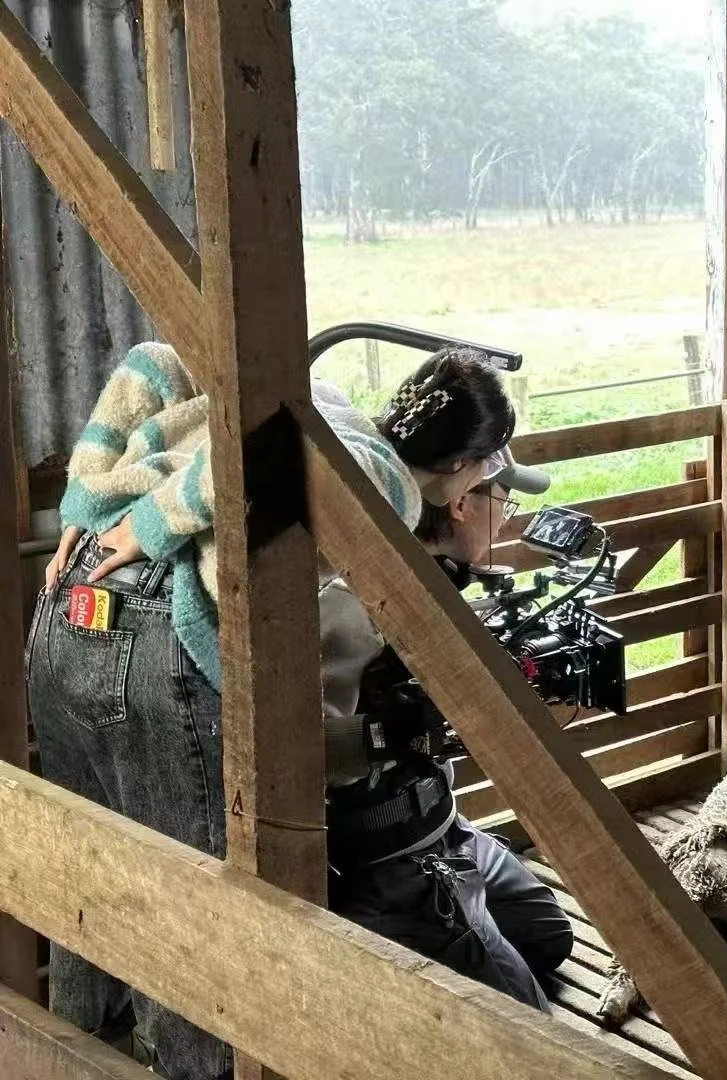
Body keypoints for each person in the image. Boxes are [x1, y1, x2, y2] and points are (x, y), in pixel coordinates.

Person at [26, 341, 524, 1079]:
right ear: (466, 469)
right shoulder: (386, 480)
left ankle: (64, 1056)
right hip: (160, 626)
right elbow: (267, 463)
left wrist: (88, 502)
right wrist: (157, 523)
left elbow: (153, 361)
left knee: (84, 885)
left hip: (73, 596)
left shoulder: (324, 395)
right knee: (196, 927)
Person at [317, 456, 572, 1012]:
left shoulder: (442, 581)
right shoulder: (351, 607)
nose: (507, 520)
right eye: (503, 502)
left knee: (549, 937)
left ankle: (468, 897)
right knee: (528, 1026)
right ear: (460, 504)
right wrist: (401, 731)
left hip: (446, 827)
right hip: (392, 861)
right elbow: (306, 753)